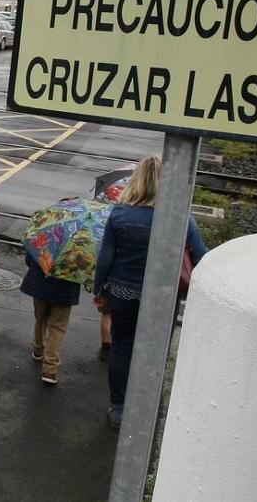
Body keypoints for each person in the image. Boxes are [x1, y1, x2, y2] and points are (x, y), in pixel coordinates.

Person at [94, 155, 208, 428]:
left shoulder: (120, 214)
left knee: (122, 348)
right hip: (163, 297)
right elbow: (201, 255)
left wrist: (99, 289)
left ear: (136, 181)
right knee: (156, 351)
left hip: (123, 292)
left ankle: (119, 408)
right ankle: (145, 407)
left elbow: (106, 257)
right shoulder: (181, 217)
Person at [20, 250, 80, 385]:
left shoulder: (46, 233)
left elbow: (30, 257)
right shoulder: (82, 244)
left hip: (41, 282)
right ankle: (50, 369)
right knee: (57, 327)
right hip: (66, 288)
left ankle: (38, 348)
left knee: (40, 318)